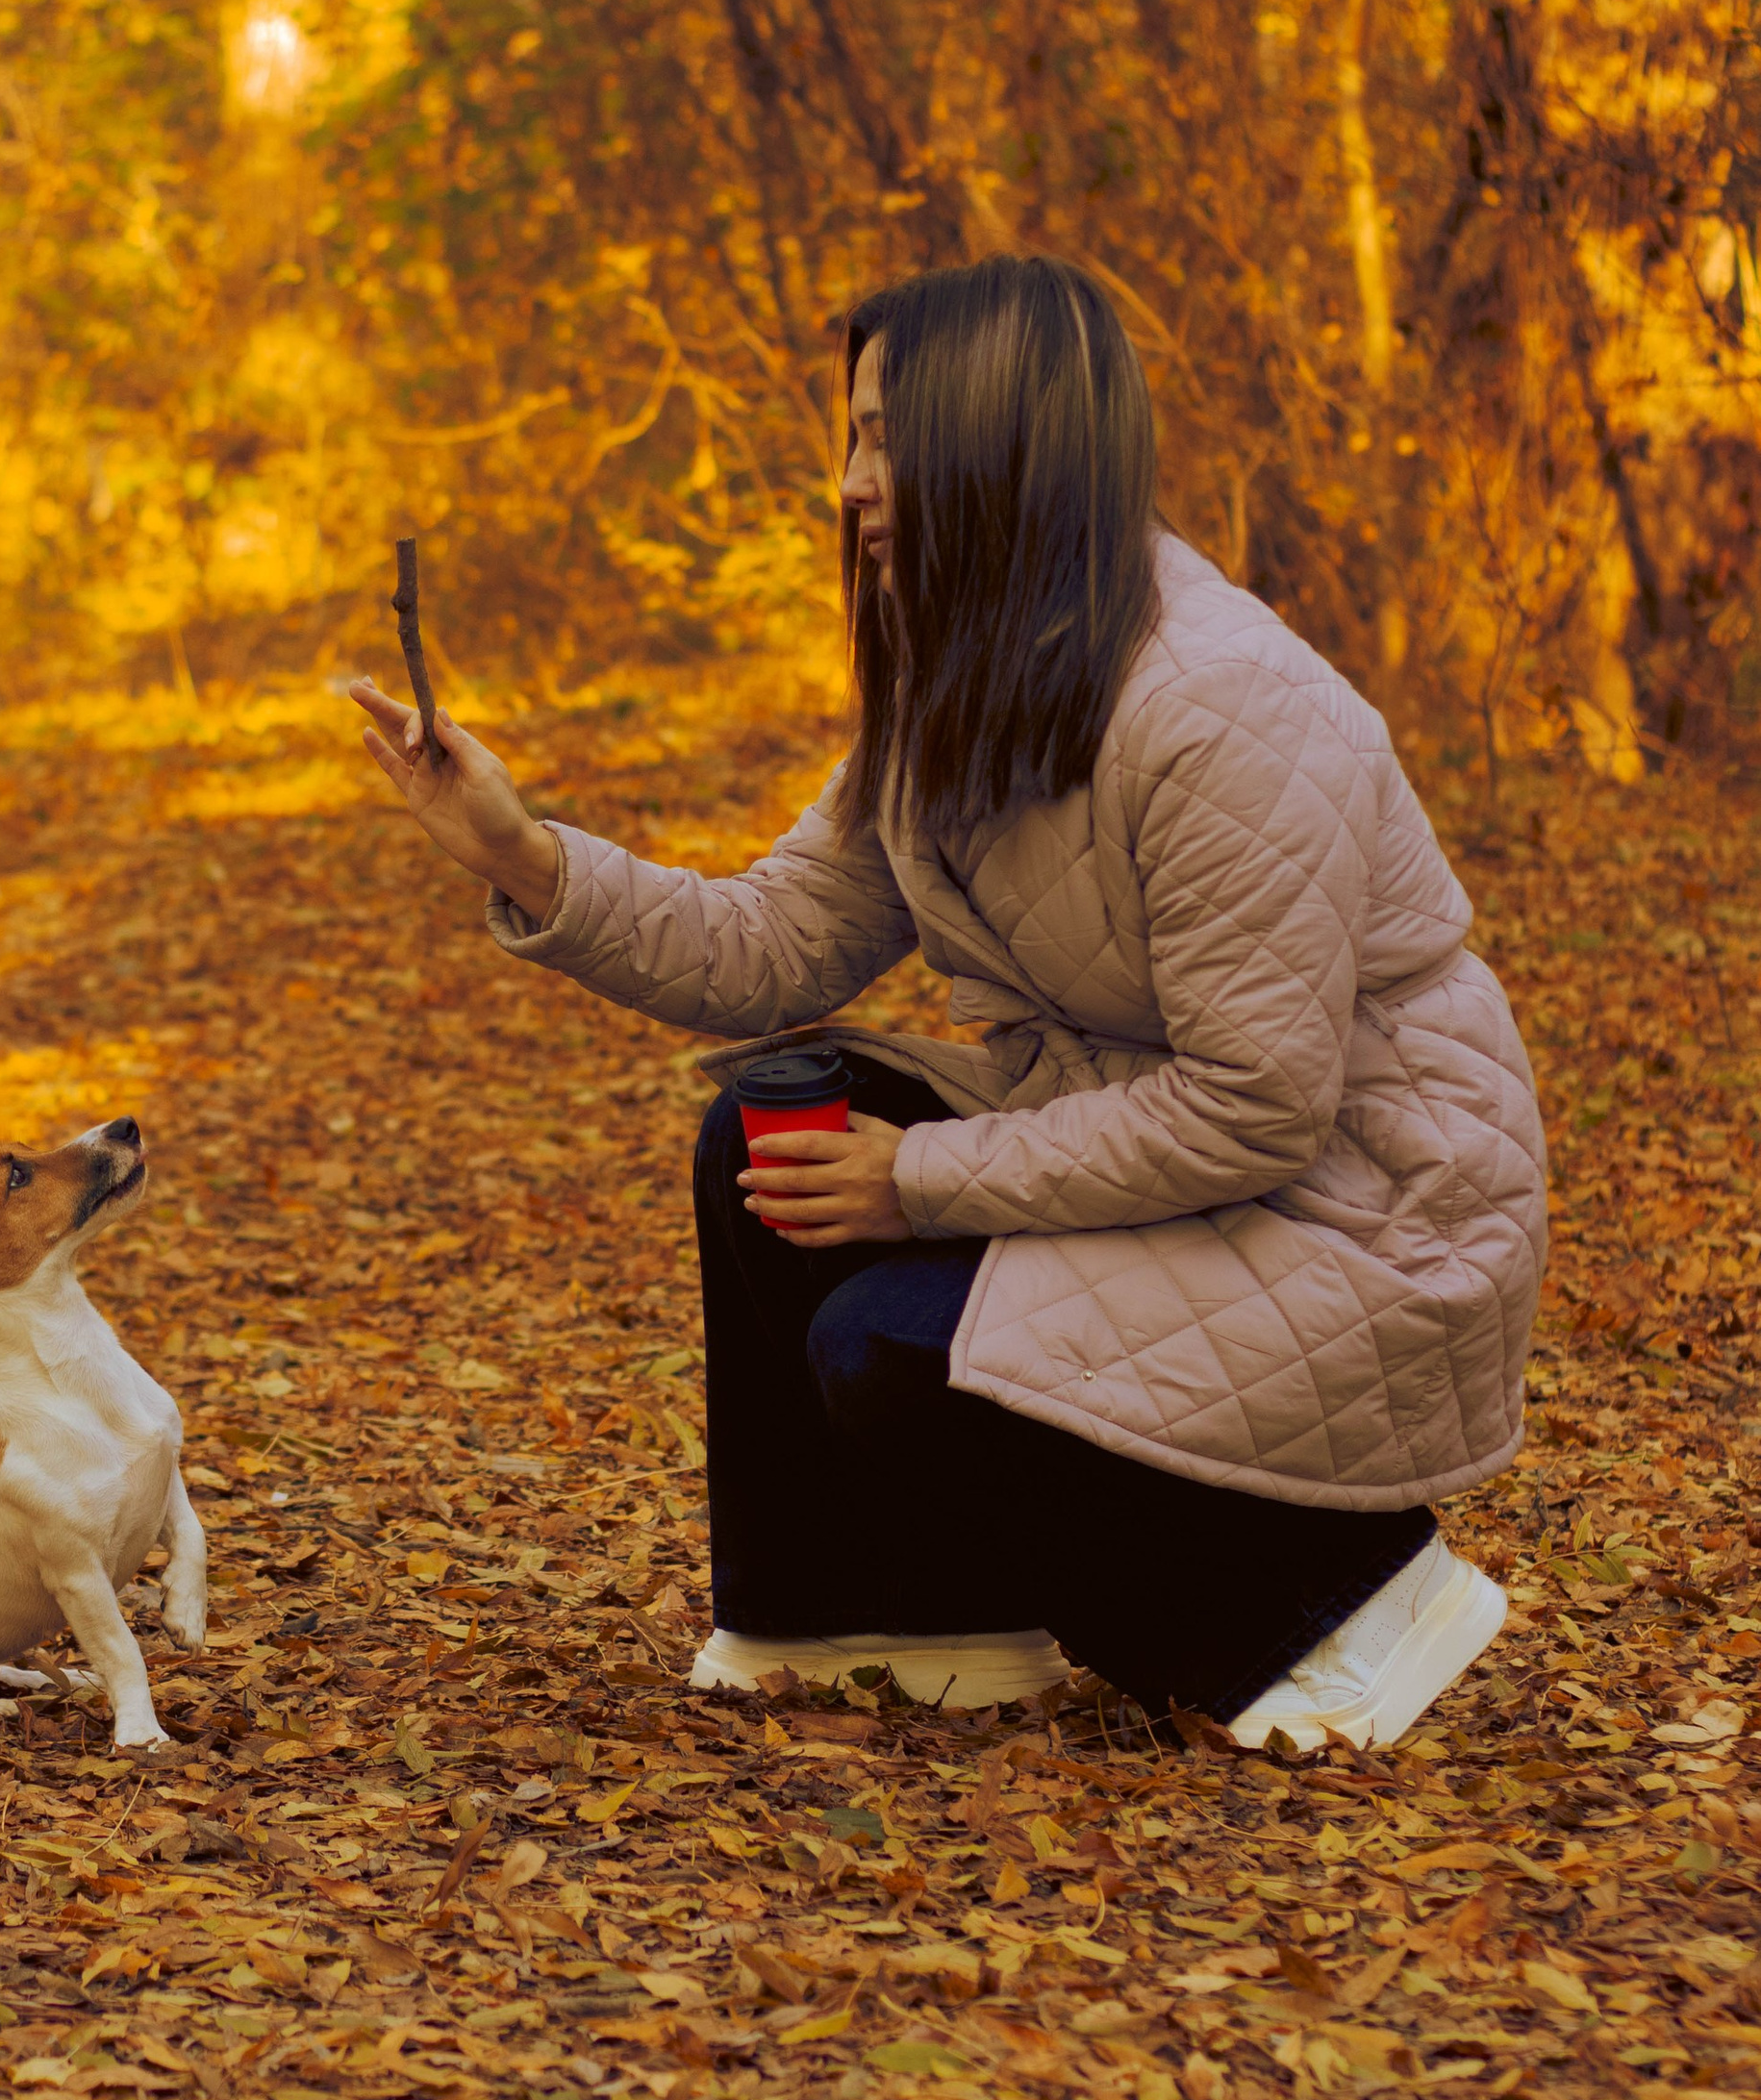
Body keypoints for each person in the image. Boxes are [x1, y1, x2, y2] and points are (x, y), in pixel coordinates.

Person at [346, 258, 1547, 1751]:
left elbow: (1262, 1104)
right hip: (1159, 1143)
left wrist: (917, 1181)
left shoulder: (1225, 702)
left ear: (1004, 444)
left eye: (880, 442)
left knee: (891, 1339)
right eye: (848, 440)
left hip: (1369, 1209)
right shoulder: (955, 670)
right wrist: (523, 857)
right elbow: (776, 939)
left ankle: (1338, 1602)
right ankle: (894, 1622)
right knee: (766, 1142)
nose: (845, 484)